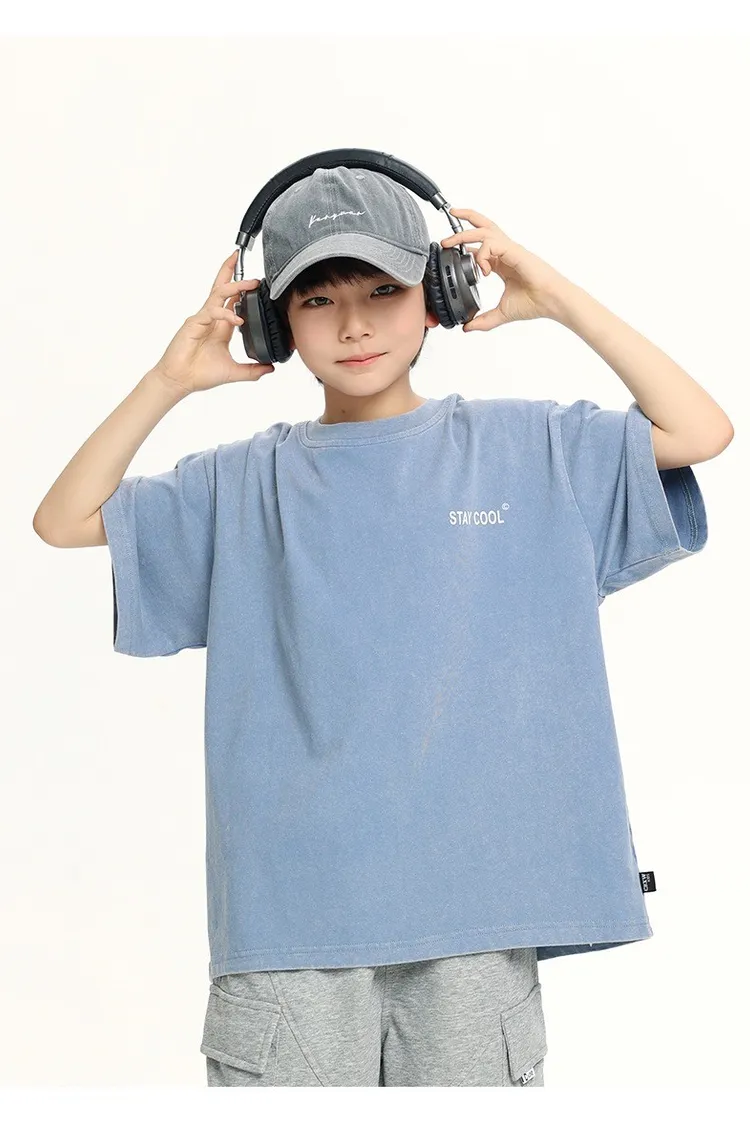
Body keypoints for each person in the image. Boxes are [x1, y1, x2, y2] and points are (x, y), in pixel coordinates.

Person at [32, 166, 732, 1087]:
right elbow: (65, 519)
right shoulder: (240, 485)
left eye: (383, 291)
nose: (354, 325)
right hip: (291, 932)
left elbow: (699, 431)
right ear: (274, 324)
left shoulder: (533, 450)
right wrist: (168, 381)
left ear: (439, 295)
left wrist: (556, 296)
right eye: (317, 300)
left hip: (479, 926)